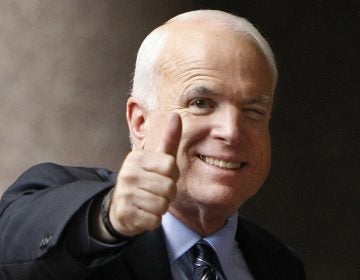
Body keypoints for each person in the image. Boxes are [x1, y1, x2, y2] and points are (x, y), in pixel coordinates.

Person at [0, 9, 305, 280]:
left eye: (253, 111)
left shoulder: (279, 263)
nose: (231, 131)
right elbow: (14, 245)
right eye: (201, 103)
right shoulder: (76, 214)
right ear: (140, 121)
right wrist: (108, 218)